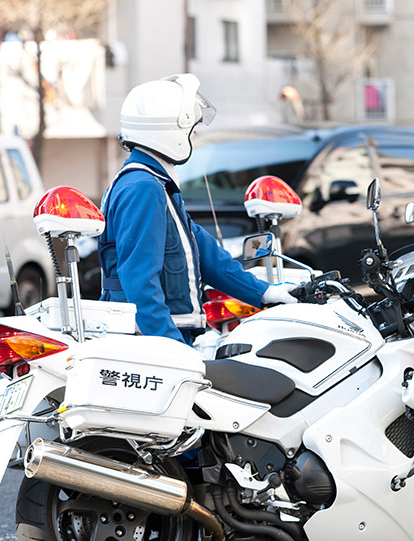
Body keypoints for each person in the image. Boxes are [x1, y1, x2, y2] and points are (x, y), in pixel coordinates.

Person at [97, 73, 297, 345]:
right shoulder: (143, 188)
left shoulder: (156, 183)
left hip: (160, 334)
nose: (194, 134)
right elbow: (140, 285)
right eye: (190, 128)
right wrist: (173, 349)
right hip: (147, 341)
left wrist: (265, 293)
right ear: (169, 131)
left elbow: (205, 253)